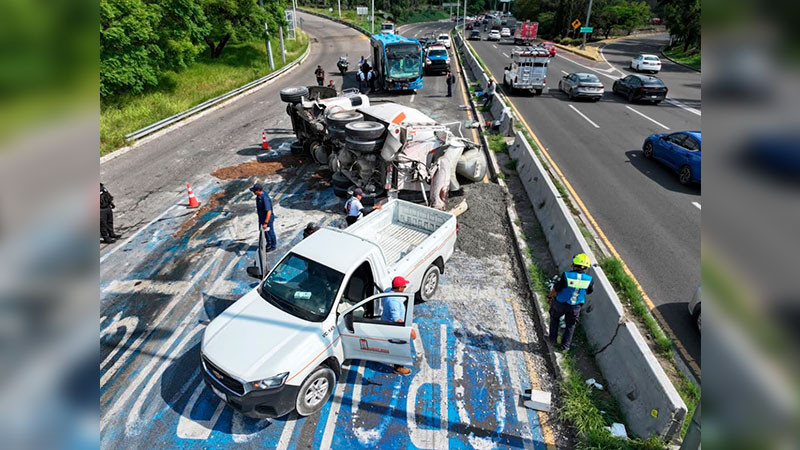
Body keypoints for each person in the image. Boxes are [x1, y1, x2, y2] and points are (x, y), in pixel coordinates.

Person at [547, 253, 595, 351]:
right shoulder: (589, 280)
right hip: (576, 307)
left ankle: (552, 340)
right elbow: (589, 291)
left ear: (574, 264)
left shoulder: (566, 275)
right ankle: (565, 346)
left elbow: (556, 289)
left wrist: (549, 297)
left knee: (554, 318)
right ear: (585, 268)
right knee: (570, 325)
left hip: (560, 303)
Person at [381, 276, 418, 375]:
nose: (405, 288)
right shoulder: (393, 302)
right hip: (393, 328)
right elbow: (396, 319)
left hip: (385, 320)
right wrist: (409, 330)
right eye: (404, 286)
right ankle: (398, 367)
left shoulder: (388, 290)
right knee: (399, 347)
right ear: (399, 288)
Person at [251, 183, 276, 277]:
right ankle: (269, 243)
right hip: (262, 219)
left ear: (258, 190)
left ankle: (273, 245)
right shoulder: (259, 196)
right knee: (265, 234)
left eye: (254, 190)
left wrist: (265, 222)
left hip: (267, 220)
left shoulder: (264, 198)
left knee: (270, 232)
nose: (253, 192)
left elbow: (269, 211)